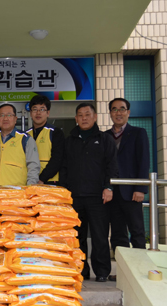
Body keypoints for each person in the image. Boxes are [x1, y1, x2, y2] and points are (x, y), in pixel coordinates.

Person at [59, 103, 118, 282]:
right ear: (76, 119)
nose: (83, 118)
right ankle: (80, 270)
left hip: (98, 196)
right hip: (74, 197)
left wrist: (109, 187)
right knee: (77, 236)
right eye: (80, 115)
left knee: (100, 236)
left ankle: (102, 272)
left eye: (87, 114)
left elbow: (112, 165)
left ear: (95, 117)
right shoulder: (70, 140)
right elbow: (64, 168)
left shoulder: (105, 139)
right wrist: (63, 194)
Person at [105, 98, 150, 277]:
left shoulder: (139, 133)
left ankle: (140, 272)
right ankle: (123, 273)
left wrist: (141, 189)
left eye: (122, 109)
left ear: (128, 112)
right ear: (110, 113)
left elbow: (143, 161)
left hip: (132, 192)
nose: (118, 113)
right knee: (117, 235)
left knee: (137, 231)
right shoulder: (105, 136)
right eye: (114, 109)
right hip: (113, 193)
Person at [0, 104, 41, 186]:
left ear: (15, 119)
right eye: (2, 115)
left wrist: (30, 188)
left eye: (9, 115)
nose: (5, 118)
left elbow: (33, 166)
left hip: (17, 192)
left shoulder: (26, 139)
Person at [25, 95, 65, 184]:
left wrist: (42, 179)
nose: (38, 113)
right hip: (29, 181)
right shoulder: (25, 135)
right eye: (35, 109)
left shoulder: (55, 132)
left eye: (42, 109)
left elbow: (57, 159)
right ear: (31, 113)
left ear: (48, 113)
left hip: (50, 181)